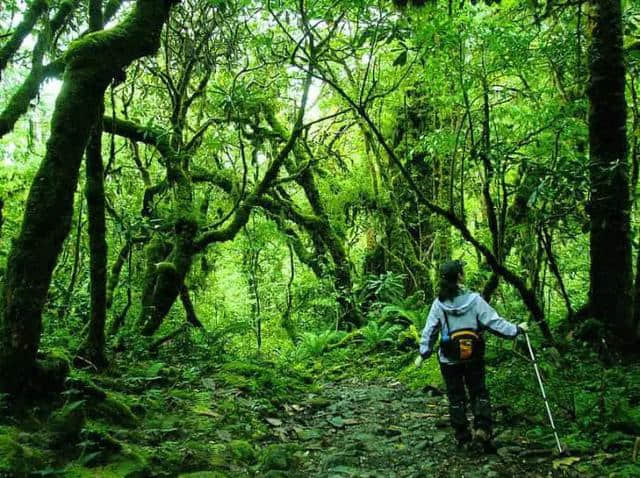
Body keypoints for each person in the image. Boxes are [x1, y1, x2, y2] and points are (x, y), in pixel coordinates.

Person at [414, 259, 528, 451]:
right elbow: (494, 322)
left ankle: (462, 436)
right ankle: (482, 429)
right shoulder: (474, 300)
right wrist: (515, 330)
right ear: (460, 276)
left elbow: (430, 331)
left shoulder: (439, 304)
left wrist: (423, 353)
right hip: (473, 356)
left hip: (449, 360)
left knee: (455, 396)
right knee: (478, 391)